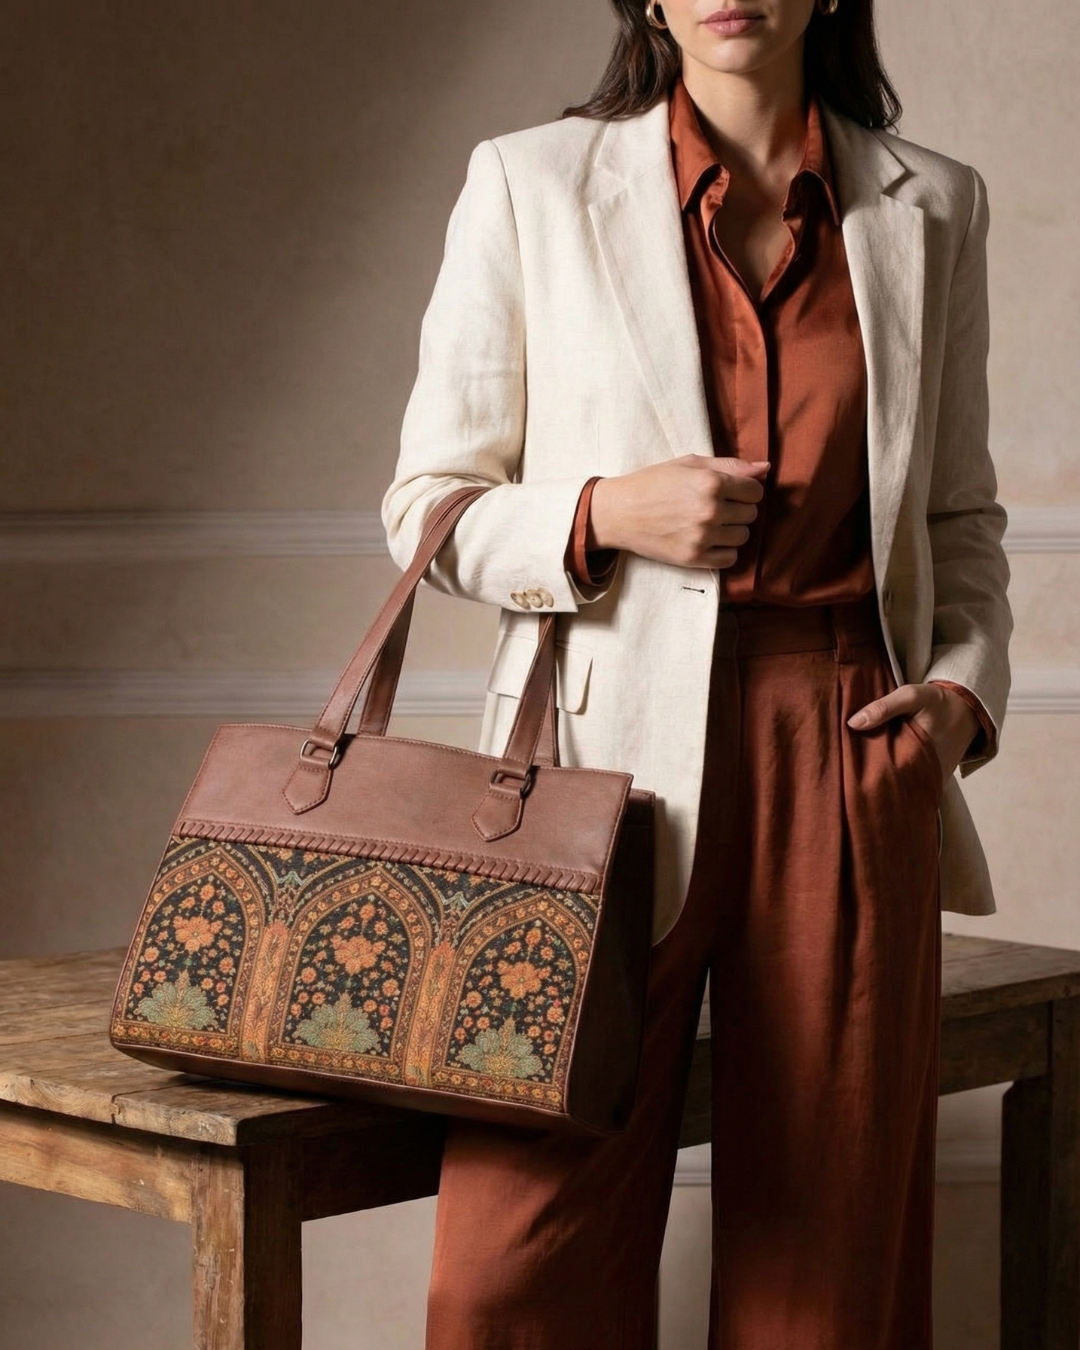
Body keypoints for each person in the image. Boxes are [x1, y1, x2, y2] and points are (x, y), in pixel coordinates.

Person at [381, 0, 1012, 1345]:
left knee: (828, 1280)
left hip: (845, 749)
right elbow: (428, 507)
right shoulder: (531, 184)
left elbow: (959, 515)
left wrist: (959, 697)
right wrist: (605, 512)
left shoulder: (932, 206)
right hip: (590, 773)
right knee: (516, 1266)